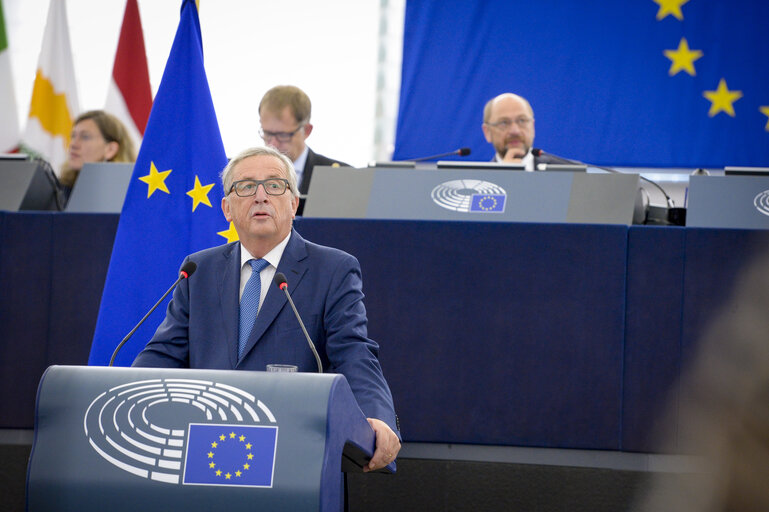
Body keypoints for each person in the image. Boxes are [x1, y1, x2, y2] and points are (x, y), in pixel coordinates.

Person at [132, 145, 400, 471]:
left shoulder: (332, 269)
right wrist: (125, 398)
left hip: (293, 453)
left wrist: (376, 414)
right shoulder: (198, 270)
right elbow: (163, 355)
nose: (260, 196)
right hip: (204, 449)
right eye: (245, 186)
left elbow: (354, 352)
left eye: (274, 185)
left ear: (293, 203)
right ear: (227, 209)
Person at [258, 85, 349, 214]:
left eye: (283, 135)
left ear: (306, 131)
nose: (272, 144)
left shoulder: (341, 177)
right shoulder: (244, 175)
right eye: (267, 133)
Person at [481, 92, 573, 170]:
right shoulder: (478, 182)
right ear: (487, 132)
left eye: (522, 120)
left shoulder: (571, 173)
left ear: (532, 126)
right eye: (504, 123)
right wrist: (503, 176)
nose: (515, 131)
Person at [59, 110, 137, 199]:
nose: (73, 144)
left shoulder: (133, 195)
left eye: (85, 137)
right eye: (73, 136)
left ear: (110, 150)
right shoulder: (56, 191)